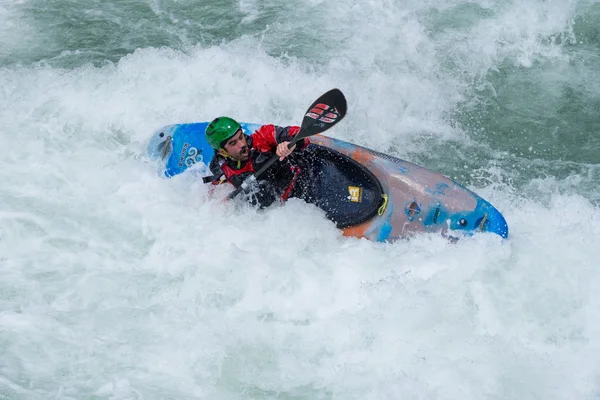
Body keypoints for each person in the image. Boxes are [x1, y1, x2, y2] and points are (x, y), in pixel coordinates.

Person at [205, 116, 309, 208]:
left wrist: (291, 144)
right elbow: (214, 193)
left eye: (241, 137)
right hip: (279, 210)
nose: (241, 144)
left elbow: (302, 134)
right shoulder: (219, 167)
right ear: (222, 151)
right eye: (233, 143)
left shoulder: (263, 137)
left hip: (303, 183)